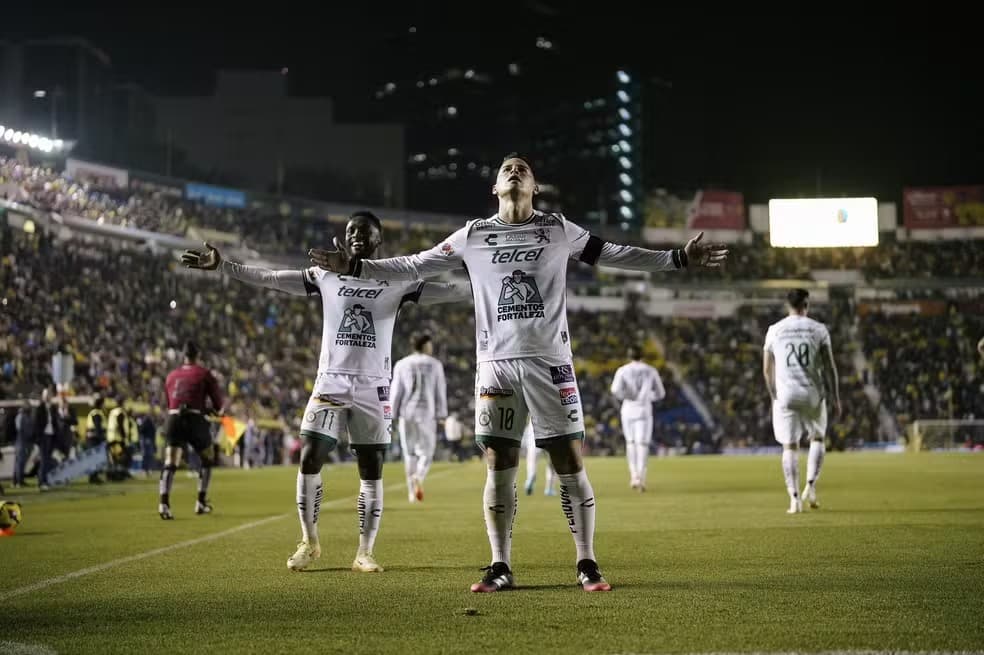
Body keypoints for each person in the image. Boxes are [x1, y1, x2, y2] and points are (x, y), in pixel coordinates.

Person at [310, 155, 728, 592]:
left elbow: (615, 254)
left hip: (551, 363)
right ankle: (499, 565)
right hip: (496, 368)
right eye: (507, 168)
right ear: (494, 188)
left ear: (535, 186)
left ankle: (587, 561)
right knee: (499, 464)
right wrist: (356, 267)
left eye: (523, 169)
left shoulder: (558, 229)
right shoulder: (473, 235)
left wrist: (677, 258)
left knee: (569, 460)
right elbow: (415, 264)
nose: (514, 171)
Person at [182, 210, 469, 573]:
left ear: (379, 239)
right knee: (309, 457)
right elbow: (271, 278)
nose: (356, 235)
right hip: (331, 381)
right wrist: (226, 267)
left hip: (373, 386)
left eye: (365, 231)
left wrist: (487, 278)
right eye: (351, 230)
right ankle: (309, 541)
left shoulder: (399, 279)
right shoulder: (326, 274)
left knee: (371, 469)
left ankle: (365, 552)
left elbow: (453, 291)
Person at [762, 289, 841, 514]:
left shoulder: (774, 330)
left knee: (790, 446)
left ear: (787, 305)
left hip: (786, 395)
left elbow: (767, 369)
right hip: (813, 394)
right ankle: (811, 487)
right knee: (817, 439)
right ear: (807, 304)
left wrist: (773, 396)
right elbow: (830, 367)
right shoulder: (818, 329)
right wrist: (835, 396)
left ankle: (794, 499)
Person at [160, 340, 226, 520]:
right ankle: (200, 502)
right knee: (208, 458)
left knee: (170, 462)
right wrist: (213, 410)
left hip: (173, 418)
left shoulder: (171, 375)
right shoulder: (204, 373)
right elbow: (219, 404)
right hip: (194, 419)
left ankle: (164, 504)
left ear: (183, 356)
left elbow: (169, 403)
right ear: (198, 356)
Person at [390, 332, 448, 503]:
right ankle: (419, 477)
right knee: (426, 453)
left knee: (409, 454)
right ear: (425, 345)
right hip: (426, 413)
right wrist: (442, 414)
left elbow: (396, 392)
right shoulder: (435, 364)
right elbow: (440, 390)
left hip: (406, 413)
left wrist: (391, 414)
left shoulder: (402, 364)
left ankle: (411, 493)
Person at [610, 346, 666, 492]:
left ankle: (633, 475)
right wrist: (647, 397)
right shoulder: (650, 370)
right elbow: (660, 393)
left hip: (628, 409)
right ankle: (641, 476)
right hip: (644, 410)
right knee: (642, 444)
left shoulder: (623, 370)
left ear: (629, 356)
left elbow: (615, 390)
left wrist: (628, 397)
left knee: (630, 443)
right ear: (642, 356)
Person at [31, 385, 61, 491]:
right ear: (44, 396)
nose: (49, 396)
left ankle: (46, 481)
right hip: (44, 437)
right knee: (44, 460)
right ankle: (41, 482)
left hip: (51, 436)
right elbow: (37, 424)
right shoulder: (40, 408)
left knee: (47, 460)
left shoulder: (52, 408)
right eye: (47, 394)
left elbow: (55, 423)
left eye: (50, 394)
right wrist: (38, 439)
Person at [522, 418, 557, 496]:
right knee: (552, 464)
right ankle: (549, 488)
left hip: (534, 436)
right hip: (550, 434)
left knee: (532, 460)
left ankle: (531, 477)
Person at [84, 394, 107, 485]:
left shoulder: (94, 412)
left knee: (94, 459)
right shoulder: (96, 413)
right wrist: (102, 439)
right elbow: (98, 428)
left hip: (92, 438)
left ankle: (93, 476)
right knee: (95, 459)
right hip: (95, 439)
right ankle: (93, 477)